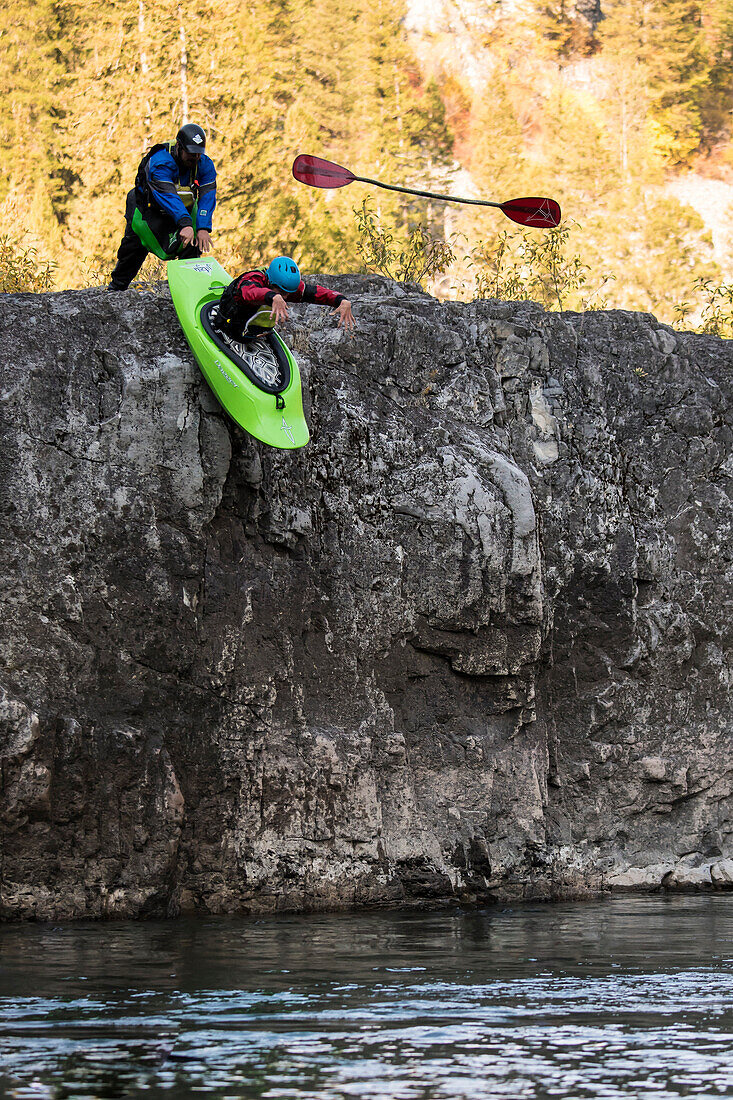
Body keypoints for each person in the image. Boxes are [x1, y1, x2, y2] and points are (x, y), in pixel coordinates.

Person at [109, 123, 217, 290]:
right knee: (135, 246)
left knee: (193, 244)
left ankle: (188, 288)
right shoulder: (161, 162)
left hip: (184, 209)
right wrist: (185, 223)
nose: (194, 157)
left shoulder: (204, 164)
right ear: (179, 146)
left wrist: (203, 227)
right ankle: (117, 287)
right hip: (148, 208)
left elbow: (207, 196)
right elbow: (168, 196)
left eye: (198, 154)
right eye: (190, 153)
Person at [212, 256, 354, 344]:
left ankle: (255, 332)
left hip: (252, 331)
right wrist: (273, 297)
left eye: (288, 294)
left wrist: (341, 300)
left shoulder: (284, 288)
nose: (286, 297)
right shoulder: (254, 279)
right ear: (270, 281)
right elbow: (250, 293)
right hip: (229, 321)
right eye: (282, 293)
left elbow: (315, 293)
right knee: (267, 303)